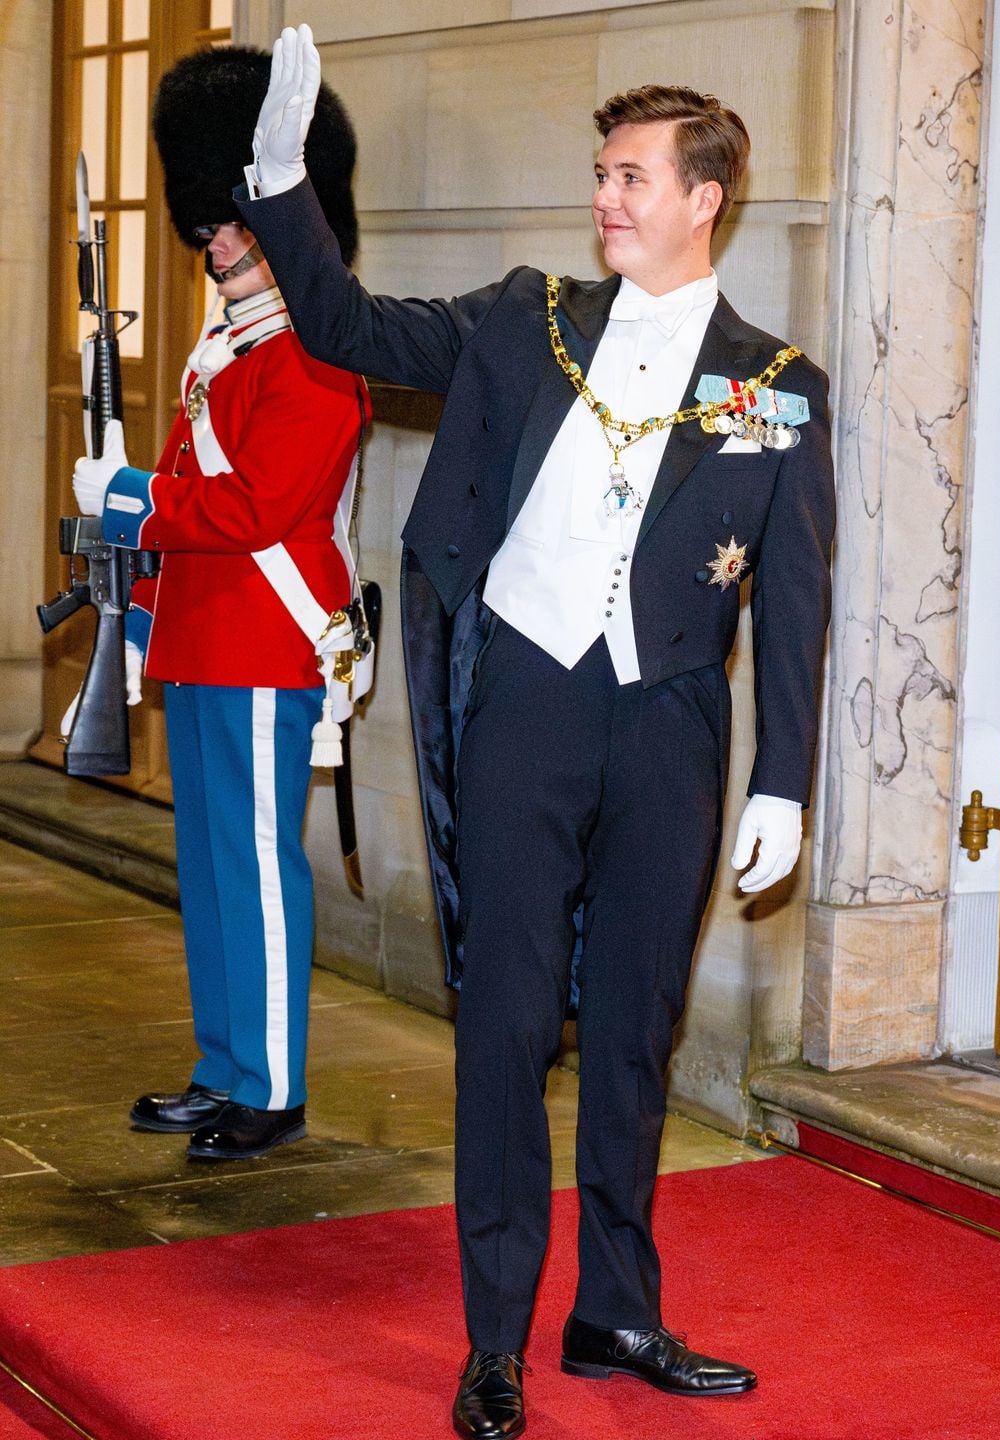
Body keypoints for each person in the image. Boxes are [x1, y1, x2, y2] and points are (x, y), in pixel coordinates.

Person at [239, 26, 834, 1438]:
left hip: (672, 731)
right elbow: (350, 329)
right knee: (505, 1028)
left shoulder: (772, 382)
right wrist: (279, 182)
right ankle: (494, 1336)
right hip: (523, 710)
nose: (607, 197)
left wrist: (787, 781)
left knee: (634, 1033)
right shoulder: (529, 318)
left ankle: (616, 1308)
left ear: (707, 198)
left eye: (632, 177)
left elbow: (802, 596)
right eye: (601, 174)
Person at [71, 47, 371, 1163]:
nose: (220, 237)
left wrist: (131, 501)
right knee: (207, 871)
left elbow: (251, 506)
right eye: (215, 220)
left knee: (256, 870)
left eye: (239, 220)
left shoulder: (315, 352)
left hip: (265, 640)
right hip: (203, 636)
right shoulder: (226, 342)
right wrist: (141, 604)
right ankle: (225, 1066)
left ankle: (276, 1086)